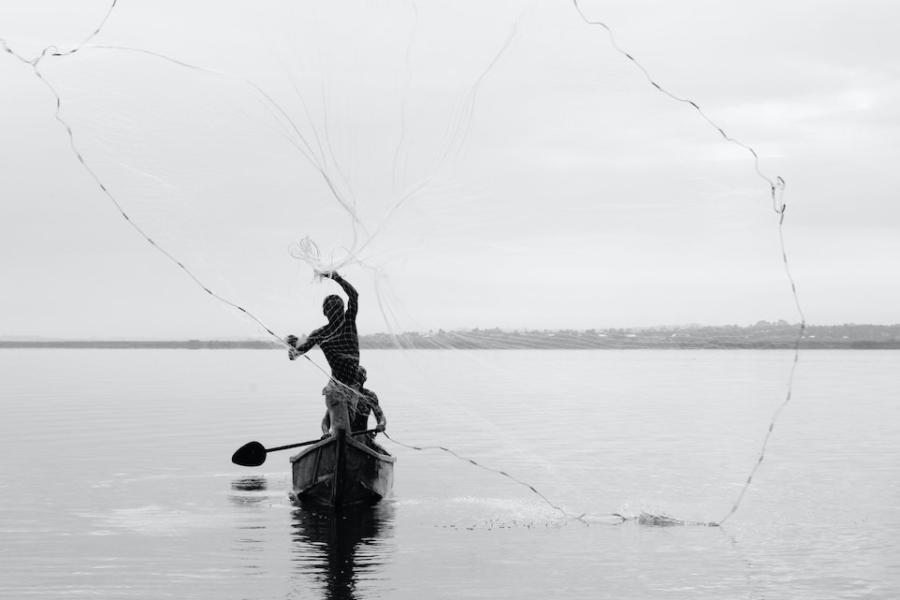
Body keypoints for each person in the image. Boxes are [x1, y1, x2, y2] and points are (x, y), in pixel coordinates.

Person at [285, 271, 360, 390]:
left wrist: (294, 349)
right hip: (338, 388)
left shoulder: (325, 331)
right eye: (332, 308)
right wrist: (293, 348)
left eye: (336, 307)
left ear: (325, 312)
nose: (334, 310)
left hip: (345, 386)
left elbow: (295, 355)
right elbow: (296, 353)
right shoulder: (345, 323)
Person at [320, 366, 386, 438]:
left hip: (361, 437)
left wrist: (381, 424)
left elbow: (380, 416)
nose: (357, 382)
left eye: (360, 378)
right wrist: (326, 433)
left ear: (365, 380)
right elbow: (326, 421)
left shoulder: (369, 396)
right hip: (339, 436)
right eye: (355, 378)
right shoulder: (341, 395)